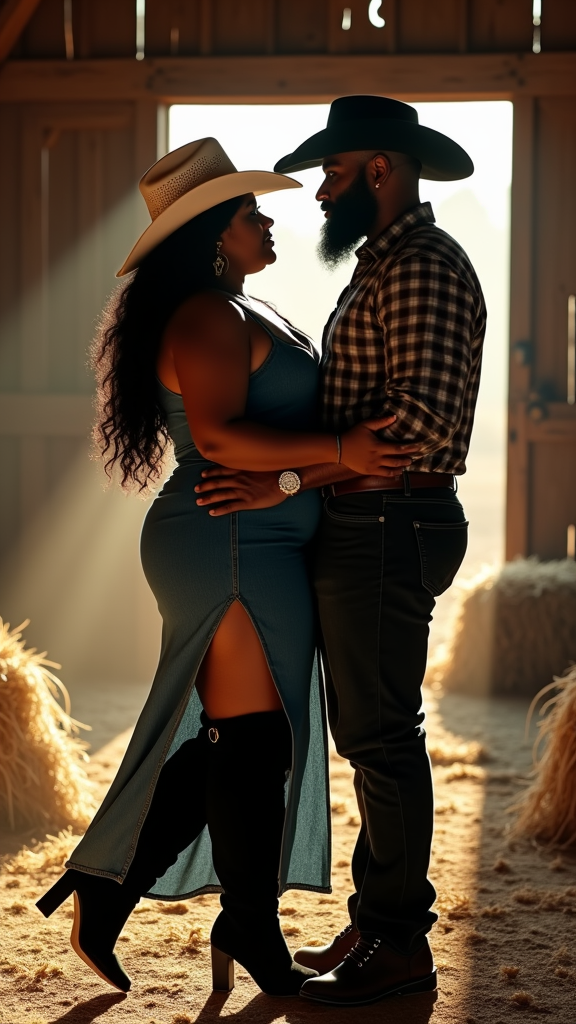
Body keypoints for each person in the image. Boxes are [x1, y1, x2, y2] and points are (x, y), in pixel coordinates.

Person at [35, 137, 417, 998]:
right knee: (254, 740)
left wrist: (308, 469)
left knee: (247, 738)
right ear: (212, 234)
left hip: (260, 533)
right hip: (227, 540)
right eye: (249, 212)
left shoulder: (250, 308)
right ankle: (248, 929)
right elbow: (217, 443)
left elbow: (278, 461)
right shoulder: (208, 317)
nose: (268, 218)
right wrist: (337, 452)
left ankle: (112, 888)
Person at [196, 96, 487, 1006]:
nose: (319, 190)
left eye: (332, 170)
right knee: (369, 732)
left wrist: (285, 481)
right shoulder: (384, 266)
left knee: (380, 735)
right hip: (372, 517)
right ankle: (378, 917)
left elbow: (417, 423)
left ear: (380, 171)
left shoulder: (425, 268)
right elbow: (357, 435)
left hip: (391, 520)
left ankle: (400, 943)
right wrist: (300, 479)